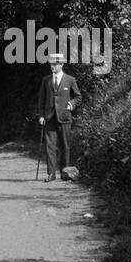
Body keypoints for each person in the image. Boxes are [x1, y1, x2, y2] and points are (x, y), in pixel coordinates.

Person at [37, 52, 80, 182]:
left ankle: (65, 172)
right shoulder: (46, 80)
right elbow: (41, 100)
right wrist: (41, 115)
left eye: (55, 64)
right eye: (51, 64)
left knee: (65, 145)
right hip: (49, 117)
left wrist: (71, 104)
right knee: (50, 146)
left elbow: (78, 96)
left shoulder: (70, 80)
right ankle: (51, 173)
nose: (52, 66)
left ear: (61, 64)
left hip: (65, 117)